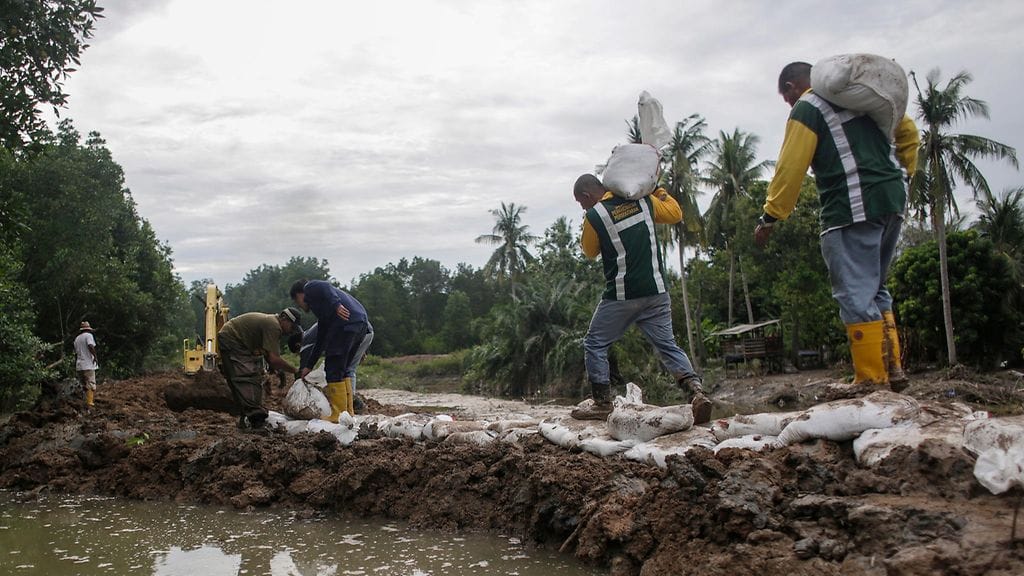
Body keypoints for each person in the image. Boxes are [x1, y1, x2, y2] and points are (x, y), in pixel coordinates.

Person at [754, 61, 919, 393]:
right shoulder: (861, 101)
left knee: (854, 294)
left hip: (851, 207)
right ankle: (893, 370)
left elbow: (791, 166)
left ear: (791, 87)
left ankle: (871, 380)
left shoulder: (808, 106)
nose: (788, 104)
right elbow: (909, 132)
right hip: (891, 199)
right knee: (875, 289)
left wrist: (771, 216)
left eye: (785, 97)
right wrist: (904, 175)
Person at [572, 174, 711, 424]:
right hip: (656, 293)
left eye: (581, 203)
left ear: (586, 195)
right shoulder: (643, 201)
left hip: (622, 296)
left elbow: (590, 251)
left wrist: (593, 222)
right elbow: (675, 213)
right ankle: (696, 392)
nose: (583, 208)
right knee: (668, 345)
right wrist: (658, 191)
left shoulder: (596, 215)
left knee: (595, 342)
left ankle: (602, 402)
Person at [290, 279, 370, 422]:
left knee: (332, 368)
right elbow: (321, 339)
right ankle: (348, 412)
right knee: (344, 369)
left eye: (297, 302)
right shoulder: (323, 310)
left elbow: (324, 285)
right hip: (360, 323)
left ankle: (337, 415)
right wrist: (309, 366)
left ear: (300, 294)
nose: (300, 306)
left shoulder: (309, 288)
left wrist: (337, 305)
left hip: (346, 324)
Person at [217, 307, 303, 429]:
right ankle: (255, 417)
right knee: (246, 376)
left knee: (248, 376)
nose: (290, 331)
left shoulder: (271, 323)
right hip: (232, 339)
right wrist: (294, 370)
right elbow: (274, 359)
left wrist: (280, 370)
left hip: (235, 339)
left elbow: (269, 356)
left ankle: (247, 417)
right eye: (292, 327)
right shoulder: (274, 326)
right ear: (284, 318)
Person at [298, 321, 374, 414]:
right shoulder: (312, 332)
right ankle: (350, 403)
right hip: (363, 331)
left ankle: (351, 404)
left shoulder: (306, 341)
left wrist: (299, 383)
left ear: (297, 345)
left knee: (348, 368)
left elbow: (303, 368)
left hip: (357, 332)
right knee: (345, 367)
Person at [73, 321, 99, 408]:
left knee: (83, 384)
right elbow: (90, 346)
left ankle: (83, 402)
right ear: (88, 329)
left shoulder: (77, 339)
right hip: (88, 364)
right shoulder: (88, 336)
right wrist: (95, 357)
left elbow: (76, 353)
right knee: (90, 384)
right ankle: (89, 403)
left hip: (79, 365)